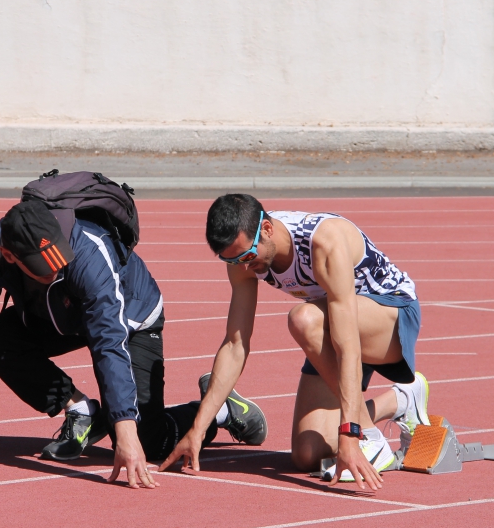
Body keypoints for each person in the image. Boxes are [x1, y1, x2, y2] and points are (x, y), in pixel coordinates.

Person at [0, 199, 268, 488]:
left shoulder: (86, 255)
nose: (55, 270)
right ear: (9, 255)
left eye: (58, 261)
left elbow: (108, 343)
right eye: (44, 269)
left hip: (129, 317)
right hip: (53, 316)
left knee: (141, 438)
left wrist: (125, 433)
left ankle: (215, 411)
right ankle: (80, 411)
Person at [161, 194, 430, 491]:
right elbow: (236, 344)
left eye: (247, 257)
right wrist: (197, 430)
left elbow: (348, 346)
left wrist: (351, 434)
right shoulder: (243, 256)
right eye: (232, 260)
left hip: (391, 318)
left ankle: (372, 439)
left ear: (266, 229)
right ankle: (403, 399)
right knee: (306, 456)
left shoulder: (324, 242)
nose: (244, 268)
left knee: (303, 319)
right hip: (330, 326)